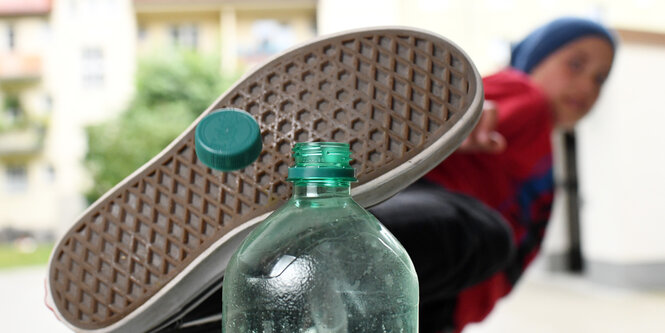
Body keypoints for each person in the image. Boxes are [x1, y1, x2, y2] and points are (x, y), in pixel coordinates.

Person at [370, 16, 617, 333]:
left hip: (435, 301)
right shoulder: (526, 94)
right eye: (575, 64)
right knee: (488, 233)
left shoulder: (544, 150)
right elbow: (457, 111)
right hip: (419, 238)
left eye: (600, 78)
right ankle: (312, 248)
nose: (587, 85)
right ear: (536, 58)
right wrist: (457, 119)